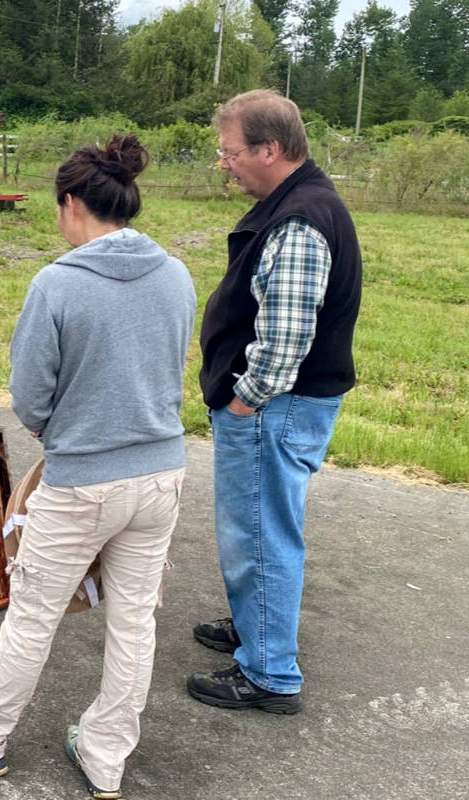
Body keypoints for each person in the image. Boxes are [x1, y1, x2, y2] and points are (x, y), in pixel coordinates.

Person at [0, 134, 196, 800]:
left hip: (83, 481)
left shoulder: (58, 283)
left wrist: (62, 433)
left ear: (72, 203)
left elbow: (30, 397)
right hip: (162, 474)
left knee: (34, 614)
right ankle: (106, 756)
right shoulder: (177, 273)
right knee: (135, 620)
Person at [189, 90, 362, 713]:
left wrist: (244, 401)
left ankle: (268, 674)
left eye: (231, 152)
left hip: (273, 407)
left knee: (261, 534)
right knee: (257, 530)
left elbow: (287, 336)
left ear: (270, 149)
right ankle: (256, 628)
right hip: (284, 406)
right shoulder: (301, 202)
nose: (225, 163)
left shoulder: (299, 219)